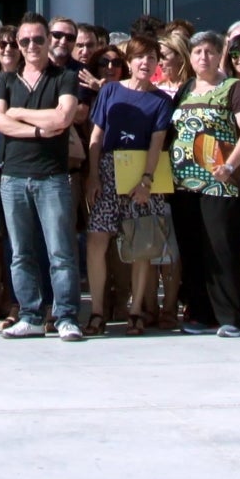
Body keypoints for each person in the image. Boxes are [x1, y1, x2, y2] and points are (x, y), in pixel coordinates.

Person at [0, 15, 88, 340]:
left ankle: (65, 317)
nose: (31, 46)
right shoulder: (6, 80)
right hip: (13, 177)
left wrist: (17, 113)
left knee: (60, 251)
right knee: (21, 252)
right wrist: (36, 129)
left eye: (38, 40)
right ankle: (30, 315)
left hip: (51, 177)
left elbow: (63, 116)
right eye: (24, 41)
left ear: (49, 41)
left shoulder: (65, 77)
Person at [171, 28, 240, 339]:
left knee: (221, 249)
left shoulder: (233, 88)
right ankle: (200, 314)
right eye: (197, 52)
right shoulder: (185, 90)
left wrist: (231, 164)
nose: (203, 57)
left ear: (220, 53)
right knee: (193, 250)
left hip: (220, 185)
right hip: (184, 186)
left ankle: (231, 317)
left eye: (209, 51)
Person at [85, 39, 173, 335]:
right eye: (138, 58)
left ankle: (135, 311)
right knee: (97, 239)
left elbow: (158, 142)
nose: (144, 63)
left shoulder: (161, 101)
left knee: (142, 244)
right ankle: (97, 311)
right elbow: (96, 136)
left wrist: (147, 180)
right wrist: (93, 176)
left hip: (143, 175)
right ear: (129, 60)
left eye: (151, 58)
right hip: (109, 171)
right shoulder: (110, 90)